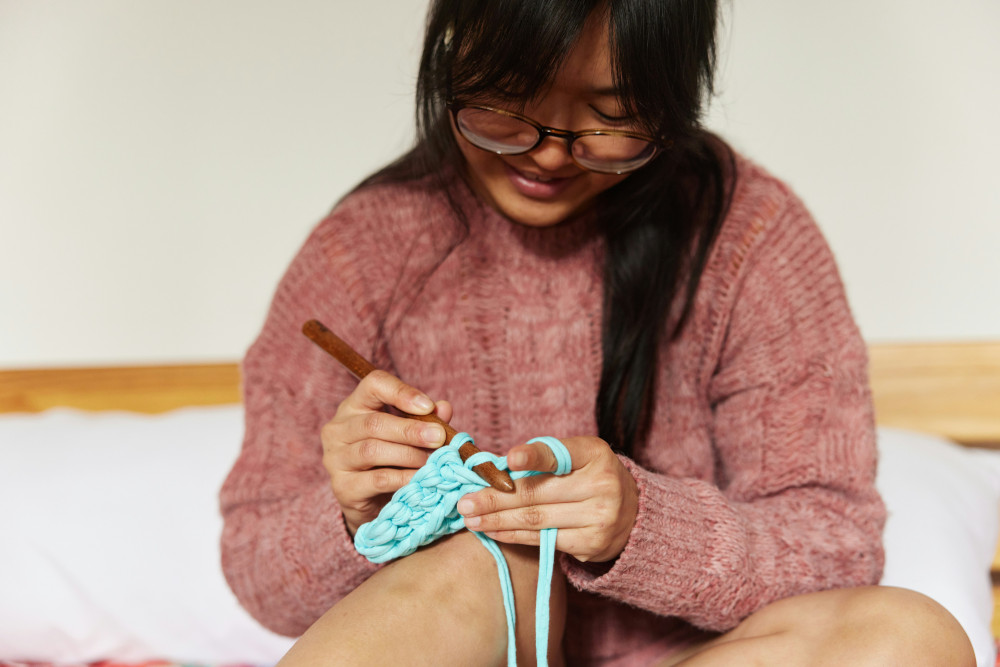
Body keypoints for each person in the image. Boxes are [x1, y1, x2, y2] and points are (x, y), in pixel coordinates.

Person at [220, 1, 975, 664]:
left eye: (608, 119)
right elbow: (257, 573)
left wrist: (642, 524)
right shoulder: (360, 254)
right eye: (507, 100)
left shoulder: (750, 239)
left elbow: (836, 545)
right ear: (450, 54)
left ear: (671, 97)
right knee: (486, 563)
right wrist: (354, 515)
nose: (549, 153)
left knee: (912, 637)